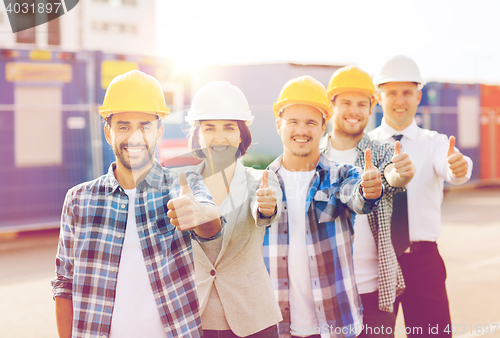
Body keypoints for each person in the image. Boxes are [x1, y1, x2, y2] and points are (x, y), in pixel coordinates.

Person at [51, 70, 222, 338]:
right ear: (108, 133)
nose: (134, 136)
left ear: (159, 132)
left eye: (145, 126)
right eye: (123, 126)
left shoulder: (182, 185)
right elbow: (64, 283)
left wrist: (199, 214)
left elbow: (213, 224)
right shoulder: (78, 200)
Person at [263, 75, 384, 338]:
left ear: (323, 125)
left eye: (310, 122)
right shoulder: (262, 182)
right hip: (281, 327)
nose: (302, 130)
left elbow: (357, 197)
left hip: (337, 324)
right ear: (278, 124)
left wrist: (368, 190)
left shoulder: (342, 175)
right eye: (293, 121)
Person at [368, 55, 473, 337]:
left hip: (423, 263)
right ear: (379, 97)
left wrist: (459, 167)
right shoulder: (365, 147)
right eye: (391, 92)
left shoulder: (435, 143)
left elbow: (454, 167)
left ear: (418, 96)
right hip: (376, 262)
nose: (399, 100)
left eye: (406, 92)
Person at [177, 81, 283, 337]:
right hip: (195, 317)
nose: (220, 137)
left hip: (253, 318)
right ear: (197, 135)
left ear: (241, 135)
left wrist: (266, 207)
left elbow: (266, 210)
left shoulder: (261, 181)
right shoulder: (180, 184)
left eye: (229, 127)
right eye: (209, 128)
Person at [320, 66, 416, 338]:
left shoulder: (383, 151)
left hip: (374, 290)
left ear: (371, 107)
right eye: (346, 103)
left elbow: (392, 176)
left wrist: (398, 174)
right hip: (324, 293)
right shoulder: (313, 157)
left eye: (362, 104)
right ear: (331, 105)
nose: (355, 110)